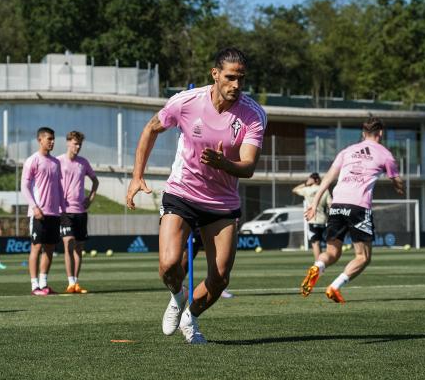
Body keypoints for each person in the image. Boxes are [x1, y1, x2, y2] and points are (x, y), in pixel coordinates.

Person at [126, 47, 266, 344]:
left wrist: (224, 164)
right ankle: (178, 296)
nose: (236, 85)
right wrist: (137, 176)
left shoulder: (253, 114)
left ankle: (190, 317)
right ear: (215, 74)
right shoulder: (185, 102)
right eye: (230, 77)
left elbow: (249, 166)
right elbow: (152, 129)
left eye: (241, 79)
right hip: (182, 193)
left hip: (222, 204)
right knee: (168, 265)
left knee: (219, 280)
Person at [300, 116, 403, 303]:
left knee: (332, 253)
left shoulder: (347, 151)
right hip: (358, 207)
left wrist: (314, 204)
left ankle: (318, 266)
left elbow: (328, 178)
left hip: (337, 206)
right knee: (363, 257)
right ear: (380, 133)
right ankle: (334, 286)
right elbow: (396, 179)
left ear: (363, 134)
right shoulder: (385, 154)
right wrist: (399, 186)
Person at [22, 127, 63, 296]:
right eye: (49, 139)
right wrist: (34, 207)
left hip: (54, 214)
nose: (52, 142)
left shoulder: (56, 162)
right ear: (40, 140)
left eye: (53, 139)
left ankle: (44, 283)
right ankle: (34, 286)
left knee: (50, 248)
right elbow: (24, 186)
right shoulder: (32, 160)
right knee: (36, 247)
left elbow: (58, 188)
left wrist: (62, 208)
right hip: (38, 213)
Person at [58, 130, 99, 294]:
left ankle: (76, 283)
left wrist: (91, 197)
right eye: (75, 143)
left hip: (81, 211)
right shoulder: (58, 161)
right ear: (68, 142)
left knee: (79, 248)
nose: (78, 147)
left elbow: (95, 181)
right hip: (64, 211)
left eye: (80, 144)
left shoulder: (83, 162)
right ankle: (70, 282)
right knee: (68, 243)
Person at [292, 172, 331, 261]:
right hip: (324, 220)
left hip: (313, 220)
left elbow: (294, 190)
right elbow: (330, 204)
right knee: (324, 243)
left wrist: (306, 184)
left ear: (313, 180)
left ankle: (318, 264)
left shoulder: (307, 189)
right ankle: (323, 262)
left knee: (315, 243)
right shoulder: (325, 190)